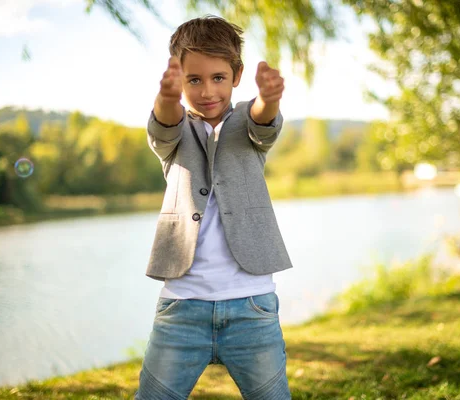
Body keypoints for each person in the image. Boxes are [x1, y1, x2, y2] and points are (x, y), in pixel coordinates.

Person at [135, 15, 293, 400]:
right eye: (194, 80)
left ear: (236, 75)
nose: (207, 90)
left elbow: (262, 119)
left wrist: (269, 98)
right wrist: (168, 97)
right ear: (180, 79)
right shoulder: (175, 131)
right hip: (182, 307)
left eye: (218, 77)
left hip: (251, 307)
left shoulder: (246, 124)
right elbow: (164, 124)